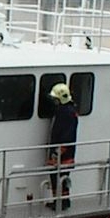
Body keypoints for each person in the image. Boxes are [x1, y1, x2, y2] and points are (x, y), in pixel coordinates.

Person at [46, 82, 78, 210]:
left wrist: (57, 153)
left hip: (63, 154)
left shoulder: (67, 113)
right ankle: (59, 201)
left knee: (60, 177)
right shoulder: (66, 111)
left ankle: (62, 202)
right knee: (56, 177)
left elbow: (67, 136)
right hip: (62, 152)